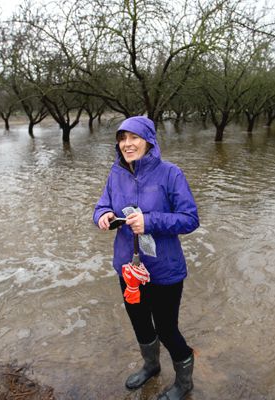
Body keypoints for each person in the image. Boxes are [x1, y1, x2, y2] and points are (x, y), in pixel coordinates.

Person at [94, 116, 199, 400]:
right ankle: (151, 366)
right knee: (139, 321)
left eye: (133, 137)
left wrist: (150, 221)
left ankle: (184, 383)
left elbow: (190, 219)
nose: (127, 144)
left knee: (166, 329)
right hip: (128, 269)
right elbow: (102, 204)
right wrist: (102, 215)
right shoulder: (116, 173)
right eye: (122, 138)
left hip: (164, 269)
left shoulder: (170, 173)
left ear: (149, 140)